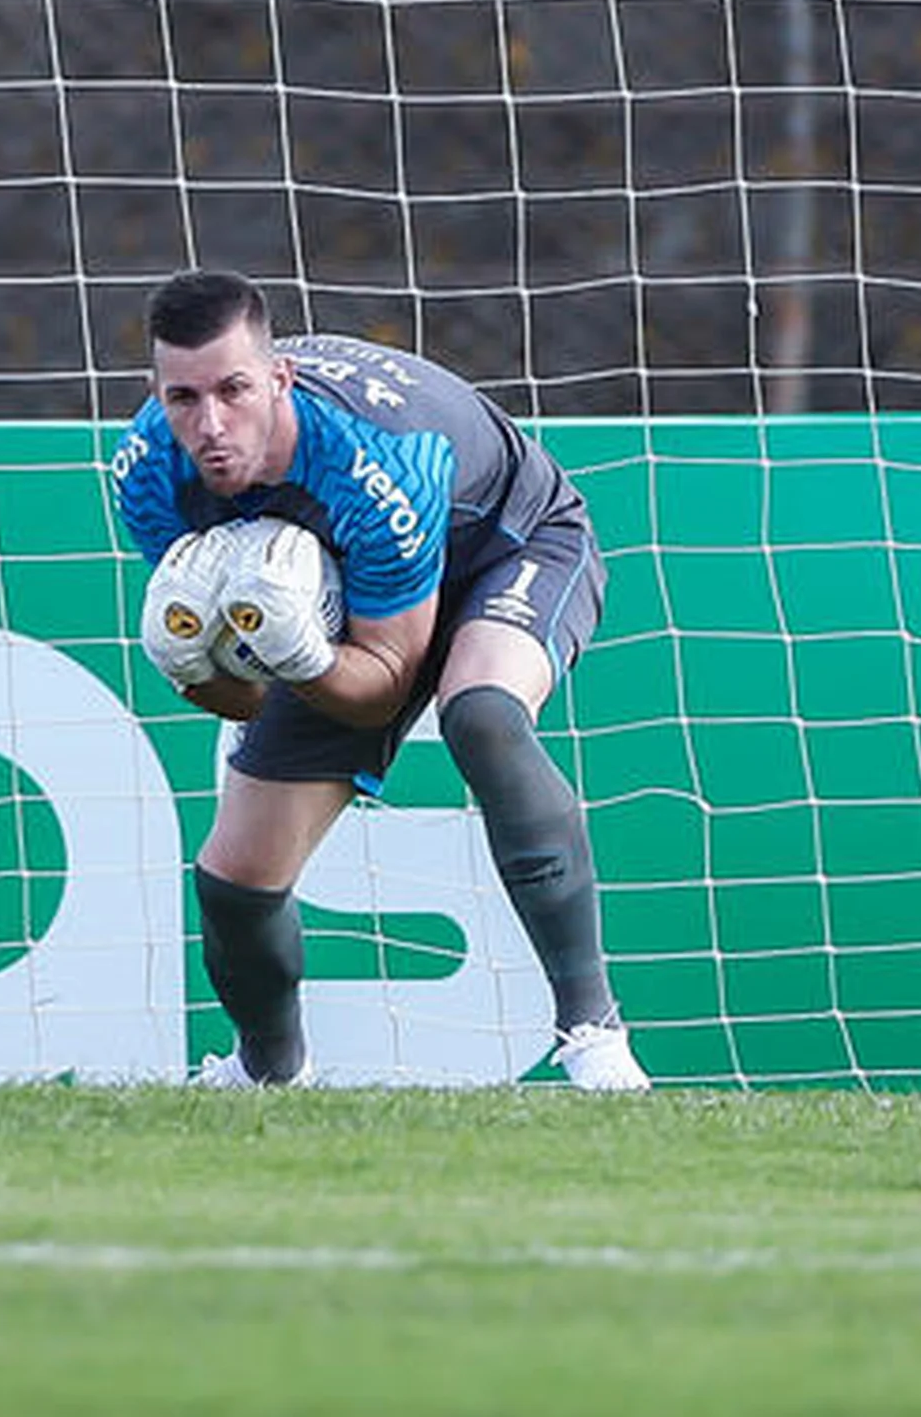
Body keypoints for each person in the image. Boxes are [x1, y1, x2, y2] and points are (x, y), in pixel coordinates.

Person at [110, 267, 647, 1092]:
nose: (210, 424)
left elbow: (391, 678)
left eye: (235, 391)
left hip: (507, 550)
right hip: (350, 610)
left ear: (279, 377)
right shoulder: (148, 474)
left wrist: (306, 658)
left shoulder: (378, 460)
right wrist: (198, 671)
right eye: (183, 399)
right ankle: (268, 1076)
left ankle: (595, 1035)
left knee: (482, 715)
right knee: (234, 880)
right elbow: (245, 691)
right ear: (156, 393)